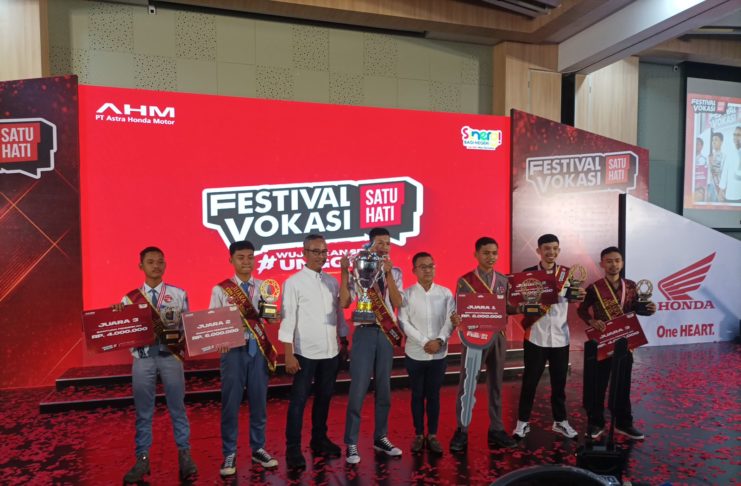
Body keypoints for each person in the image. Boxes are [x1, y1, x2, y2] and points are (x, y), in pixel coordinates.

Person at [118, 247, 197, 483]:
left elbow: (188, 327)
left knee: (177, 408)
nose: (156, 266)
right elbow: (123, 330)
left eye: (160, 262)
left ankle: (185, 456)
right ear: (140, 266)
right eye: (151, 262)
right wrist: (117, 315)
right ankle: (142, 459)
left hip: (171, 358)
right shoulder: (128, 299)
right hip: (143, 359)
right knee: (143, 411)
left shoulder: (179, 294)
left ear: (165, 265)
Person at [279, 234, 350, 469]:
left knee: (324, 398)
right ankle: (293, 448)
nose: (321, 256)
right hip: (304, 353)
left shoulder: (332, 282)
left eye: (324, 251)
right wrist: (288, 353)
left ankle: (319, 439)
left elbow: (340, 313)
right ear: (304, 253)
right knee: (298, 401)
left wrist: (343, 340)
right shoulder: (294, 282)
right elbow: (288, 319)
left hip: (330, 352)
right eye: (316, 251)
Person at [210, 240, 279, 476]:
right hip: (232, 351)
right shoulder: (221, 290)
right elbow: (214, 321)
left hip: (258, 349)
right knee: (231, 403)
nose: (246, 261)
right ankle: (229, 452)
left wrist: (273, 317)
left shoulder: (264, 287)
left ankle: (258, 448)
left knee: (259, 401)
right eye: (241, 257)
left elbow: (269, 318)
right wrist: (218, 339)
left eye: (250, 257)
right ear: (231, 260)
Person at [577, 246, 656, 440]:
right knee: (598, 384)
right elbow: (582, 310)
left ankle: (623, 423)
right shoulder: (594, 288)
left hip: (624, 342)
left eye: (617, 260)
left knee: (623, 383)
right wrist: (591, 321)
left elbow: (636, 308)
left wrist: (649, 309)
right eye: (609, 261)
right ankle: (596, 423)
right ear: (602, 264)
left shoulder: (631, 286)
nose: (614, 264)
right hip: (603, 342)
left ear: (622, 263)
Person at [511, 234, 584, 441]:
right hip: (536, 335)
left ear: (558, 250)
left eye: (554, 248)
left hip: (561, 337)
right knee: (530, 382)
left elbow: (572, 298)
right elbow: (517, 301)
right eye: (546, 248)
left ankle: (560, 421)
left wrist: (579, 295)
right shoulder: (528, 274)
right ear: (539, 251)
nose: (551, 252)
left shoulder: (567, 274)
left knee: (559, 384)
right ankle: (522, 423)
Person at [341, 227, 404, 464]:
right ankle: (351, 443)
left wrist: (388, 275)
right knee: (358, 389)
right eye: (380, 243)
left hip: (385, 333)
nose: (384, 247)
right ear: (369, 244)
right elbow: (345, 302)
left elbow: (398, 302)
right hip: (364, 332)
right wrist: (344, 273)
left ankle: (381, 437)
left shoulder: (395, 271)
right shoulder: (359, 268)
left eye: (388, 243)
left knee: (384, 389)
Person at [450, 237, 517, 452]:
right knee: (468, 383)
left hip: (498, 336)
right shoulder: (465, 280)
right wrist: (457, 318)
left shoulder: (504, 281)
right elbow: (460, 308)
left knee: (496, 383)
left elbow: (508, 307)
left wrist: (525, 304)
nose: (491, 257)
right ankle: (462, 430)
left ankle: (496, 428)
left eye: (494, 253)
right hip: (474, 337)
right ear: (476, 254)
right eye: (486, 253)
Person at [398, 252, 460, 455]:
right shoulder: (407, 295)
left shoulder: (445, 293)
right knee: (417, 395)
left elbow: (450, 320)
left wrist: (439, 341)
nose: (428, 270)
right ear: (414, 270)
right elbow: (403, 322)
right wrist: (425, 342)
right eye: (423, 266)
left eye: (431, 266)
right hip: (415, 354)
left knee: (434, 395)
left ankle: (432, 435)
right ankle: (418, 434)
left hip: (439, 355)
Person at [718, 126, 741, 203]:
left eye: (738, 135)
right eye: (734, 135)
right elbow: (725, 172)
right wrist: (721, 189)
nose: (735, 137)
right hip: (730, 195)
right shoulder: (730, 153)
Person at [708, 132, 726, 202]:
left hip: (720, 187)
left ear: (721, 141)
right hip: (710, 187)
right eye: (712, 140)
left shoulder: (724, 156)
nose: (713, 142)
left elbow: (724, 173)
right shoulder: (709, 156)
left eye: (716, 140)